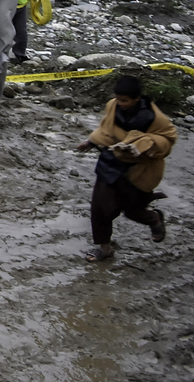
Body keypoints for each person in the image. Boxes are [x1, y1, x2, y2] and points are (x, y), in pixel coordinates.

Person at [76, 75, 177, 263]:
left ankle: (154, 219)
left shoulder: (155, 118)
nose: (120, 103)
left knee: (133, 210)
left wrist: (144, 144)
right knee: (100, 208)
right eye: (118, 99)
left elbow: (167, 140)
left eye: (125, 101)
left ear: (137, 98)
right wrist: (91, 142)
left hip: (138, 169)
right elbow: (105, 129)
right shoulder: (112, 106)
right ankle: (105, 248)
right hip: (110, 163)